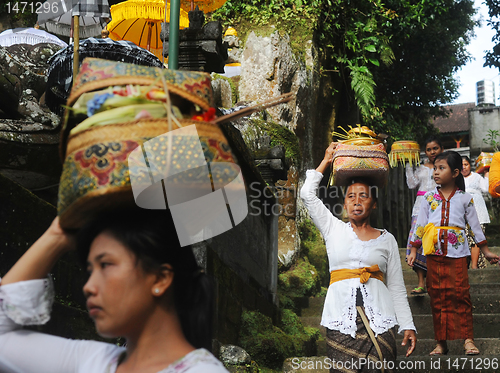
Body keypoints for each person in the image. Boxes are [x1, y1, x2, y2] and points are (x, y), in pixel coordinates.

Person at [0, 208, 228, 373]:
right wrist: (56, 237)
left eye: (106, 265)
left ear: (160, 278)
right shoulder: (93, 362)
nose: (88, 287)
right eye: (90, 270)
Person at [300, 142, 416, 373]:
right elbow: (306, 195)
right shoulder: (333, 229)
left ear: (373, 205)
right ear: (344, 204)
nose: (356, 201)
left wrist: (408, 325)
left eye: (363, 196)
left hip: (381, 320)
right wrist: (326, 161)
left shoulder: (387, 239)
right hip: (341, 320)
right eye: (351, 196)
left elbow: (396, 287)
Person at [408, 151, 500, 356]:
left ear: (455, 172)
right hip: (433, 254)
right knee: (437, 296)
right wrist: (414, 249)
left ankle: (468, 340)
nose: (436, 173)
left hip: (458, 254)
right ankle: (441, 343)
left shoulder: (466, 198)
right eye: (435, 168)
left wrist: (485, 251)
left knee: (461, 295)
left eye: (442, 168)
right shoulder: (428, 197)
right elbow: (420, 226)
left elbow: (475, 227)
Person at [405, 136, 444, 295]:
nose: (432, 152)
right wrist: (407, 164)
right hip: (420, 206)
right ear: (425, 152)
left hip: (439, 206)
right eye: (429, 149)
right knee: (417, 242)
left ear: (441, 148)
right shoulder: (420, 168)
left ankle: (436, 281)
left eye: (435, 148)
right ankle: (421, 283)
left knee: (436, 242)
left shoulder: (444, 166)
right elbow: (411, 184)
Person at [462, 156, 490, 269]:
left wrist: (487, 173)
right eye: (461, 165)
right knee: (465, 239)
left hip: (478, 210)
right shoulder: (456, 178)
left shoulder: (477, 176)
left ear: (470, 165)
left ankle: (474, 266)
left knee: (476, 238)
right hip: (463, 212)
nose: (463, 167)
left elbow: (485, 189)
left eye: (466, 164)